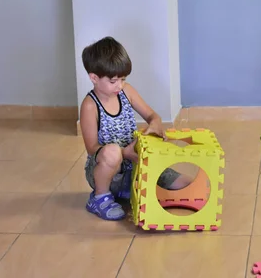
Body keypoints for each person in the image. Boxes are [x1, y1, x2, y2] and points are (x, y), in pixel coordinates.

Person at [79, 36, 191, 220]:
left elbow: (152, 116)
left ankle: (132, 189)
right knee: (112, 152)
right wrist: (124, 153)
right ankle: (100, 197)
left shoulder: (126, 91)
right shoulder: (90, 105)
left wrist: (155, 124)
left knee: (187, 184)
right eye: (114, 81)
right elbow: (92, 148)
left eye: (123, 79)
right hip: (108, 171)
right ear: (94, 78)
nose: (120, 85)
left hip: (136, 163)